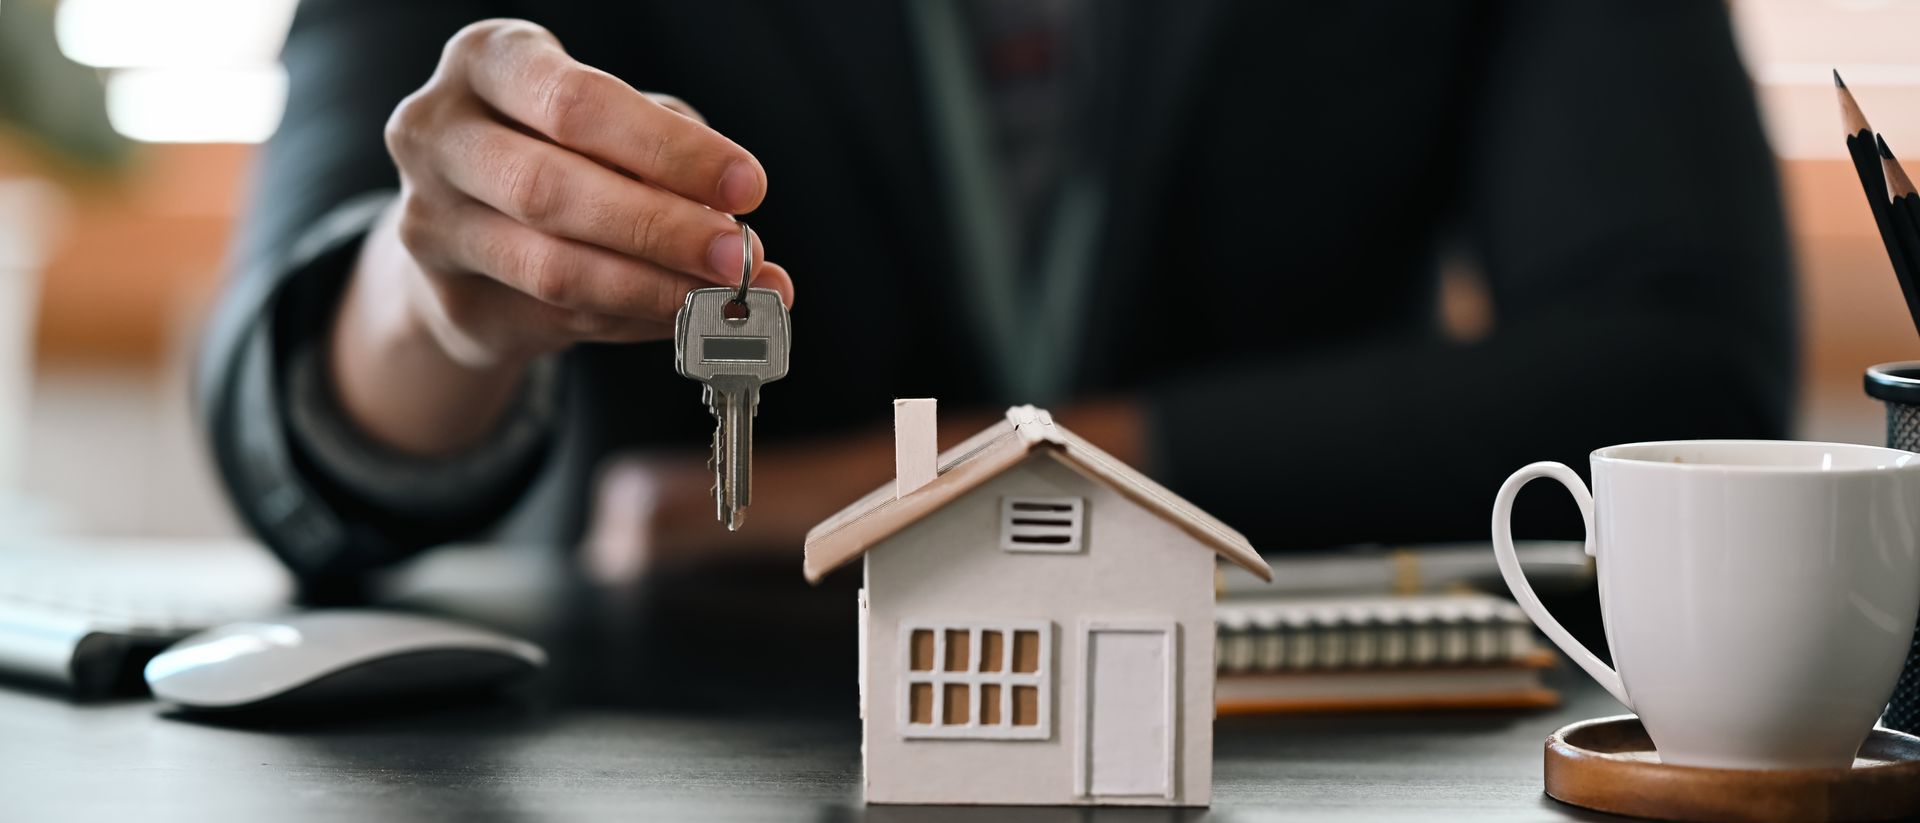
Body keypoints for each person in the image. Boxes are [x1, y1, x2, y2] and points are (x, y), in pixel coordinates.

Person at [199, 1, 1794, 595]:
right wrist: (439, 305)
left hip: (1295, 746)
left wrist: (961, 482)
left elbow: (1682, 374)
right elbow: (292, 422)